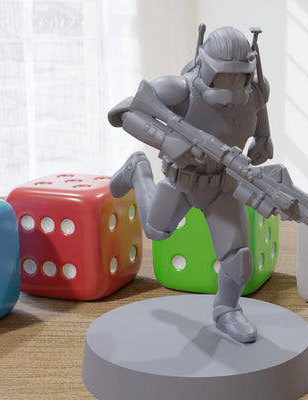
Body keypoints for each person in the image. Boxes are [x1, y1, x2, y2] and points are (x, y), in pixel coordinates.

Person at [108, 25, 273, 343]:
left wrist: (263, 140)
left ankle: (227, 309)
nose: (233, 87)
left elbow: (259, 114)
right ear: (206, 65)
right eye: (224, 75)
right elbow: (126, 112)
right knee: (155, 231)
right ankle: (138, 170)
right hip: (181, 181)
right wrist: (166, 140)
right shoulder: (178, 89)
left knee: (239, 261)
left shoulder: (255, 92)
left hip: (223, 187)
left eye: (240, 76)